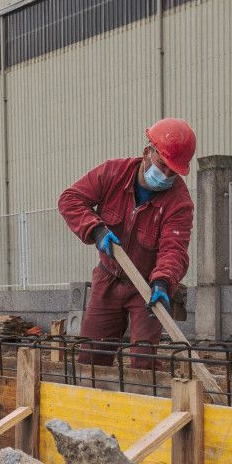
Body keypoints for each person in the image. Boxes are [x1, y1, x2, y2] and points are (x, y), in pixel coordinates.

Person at [57, 118, 196, 368]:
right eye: (161, 165)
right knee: (91, 358)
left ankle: (146, 404)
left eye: (172, 172)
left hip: (146, 288)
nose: (165, 175)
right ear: (147, 153)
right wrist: (96, 230)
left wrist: (163, 283)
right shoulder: (113, 173)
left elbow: (173, 249)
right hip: (108, 279)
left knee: (144, 361)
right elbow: (70, 200)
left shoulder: (179, 202)